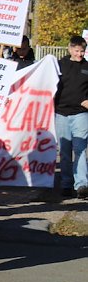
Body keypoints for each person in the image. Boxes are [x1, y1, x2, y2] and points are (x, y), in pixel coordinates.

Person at [54, 35, 88, 199]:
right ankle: (66, 184)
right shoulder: (60, 65)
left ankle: (81, 185)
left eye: (82, 51)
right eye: (77, 51)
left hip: (81, 114)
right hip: (61, 114)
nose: (80, 54)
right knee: (65, 152)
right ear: (70, 48)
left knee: (80, 150)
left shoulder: (87, 67)